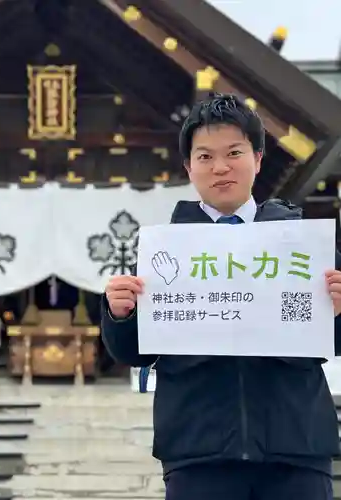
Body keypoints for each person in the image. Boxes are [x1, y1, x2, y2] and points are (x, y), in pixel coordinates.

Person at [102, 93, 341, 500]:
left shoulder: (300, 244)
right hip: (198, 449)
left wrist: (337, 311)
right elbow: (133, 352)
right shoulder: (164, 251)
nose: (220, 167)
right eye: (205, 157)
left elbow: (333, 342)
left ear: (258, 158)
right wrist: (119, 313)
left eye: (234, 152)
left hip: (296, 445)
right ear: (188, 167)